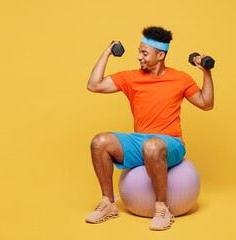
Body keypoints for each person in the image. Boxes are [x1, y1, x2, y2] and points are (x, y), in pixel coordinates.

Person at [85, 26, 214, 230]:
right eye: (139, 51)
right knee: (99, 142)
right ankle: (108, 203)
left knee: (152, 146)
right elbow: (94, 85)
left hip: (170, 143)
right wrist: (107, 52)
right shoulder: (131, 78)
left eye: (144, 53)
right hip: (139, 141)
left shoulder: (180, 78)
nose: (139, 57)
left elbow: (206, 104)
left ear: (160, 55)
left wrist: (206, 72)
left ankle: (163, 208)